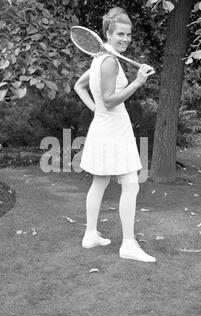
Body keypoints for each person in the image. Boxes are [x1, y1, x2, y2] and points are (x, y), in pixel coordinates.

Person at [74, 7, 156, 263]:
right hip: (113, 130)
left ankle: (90, 235)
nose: (125, 39)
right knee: (130, 183)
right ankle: (128, 244)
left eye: (128, 35)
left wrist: (94, 109)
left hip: (105, 128)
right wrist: (137, 83)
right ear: (108, 34)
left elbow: (79, 86)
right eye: (120, 34)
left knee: (100, 182)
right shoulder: (109, 61)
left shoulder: (101, 59)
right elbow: (109, 101)